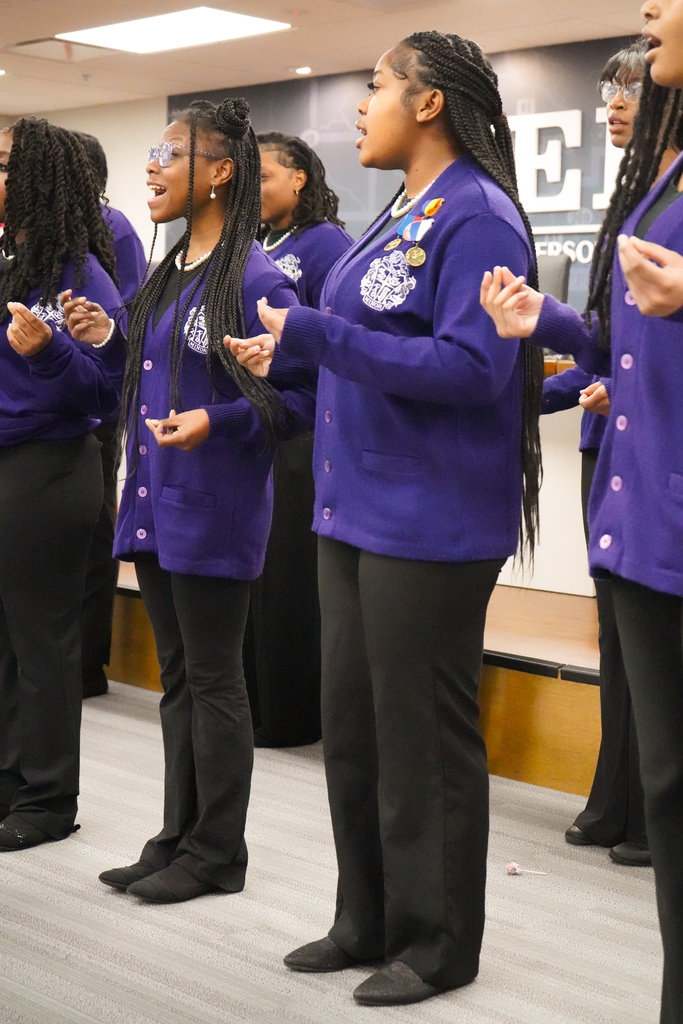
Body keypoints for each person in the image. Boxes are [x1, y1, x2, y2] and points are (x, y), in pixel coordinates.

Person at [230, 31, 544, 1006]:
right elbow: (355, 341)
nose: (358, 105)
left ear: (428, 104)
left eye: (374, 87)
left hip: (431, 519)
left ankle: (437, 939)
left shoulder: (478, 217)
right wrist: (285, 352)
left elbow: (472, 368)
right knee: (356, 729)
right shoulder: (392, 211)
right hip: (351, 508)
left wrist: (318, 334)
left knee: (420, 738)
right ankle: (362, 916)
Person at [480, 9, 683, 1015]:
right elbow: (621, 336)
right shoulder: (660, 177)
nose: (648, 18)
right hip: (640, 513)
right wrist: (548, 321)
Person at [72, 98, 316, 904]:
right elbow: (131, 379)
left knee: (213, 680)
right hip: (154, 503)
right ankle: (176, 835)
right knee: (179, 678)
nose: (152, 165)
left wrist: (221, 417)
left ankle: (218, 853)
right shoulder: (170, 269)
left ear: (219, 173)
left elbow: (305, 398)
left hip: (215, 506)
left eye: (170, 153)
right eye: (153, 152)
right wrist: (104, 339)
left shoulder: (255, 276)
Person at [0, 118, 124, 851]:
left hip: (49, 470)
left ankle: (48, 800)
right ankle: (9, 781)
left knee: (41, 643)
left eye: (8, 164)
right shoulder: (9, 258)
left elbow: (105, 394)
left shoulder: (81, 273)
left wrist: (50, 353)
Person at [543, 41, 651, 867]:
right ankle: (613, 796)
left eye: (630, 88)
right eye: (607, 90)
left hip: (654, 449)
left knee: (653, 638)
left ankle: (647, 806)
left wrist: (629, 377)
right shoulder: (632, 200)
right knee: (614, 634)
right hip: (603, 445)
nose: (613, 103)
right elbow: (600, 351)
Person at [243, 133, 353, 748]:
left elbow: (332, 344)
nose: (252, 189)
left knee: (287, 579)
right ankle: (257, 703)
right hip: (258, 422)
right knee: (258, 575)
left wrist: (274, 356)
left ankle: (291, 714)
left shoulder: (326, 243)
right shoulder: (257, 242)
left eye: (263, 176)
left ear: (300, 179)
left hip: (304, 428)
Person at [71, 130, 147, 699]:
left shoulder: (112, 226)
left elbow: (124, 320)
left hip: (96, 407)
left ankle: (86, 664)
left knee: (94, 533)